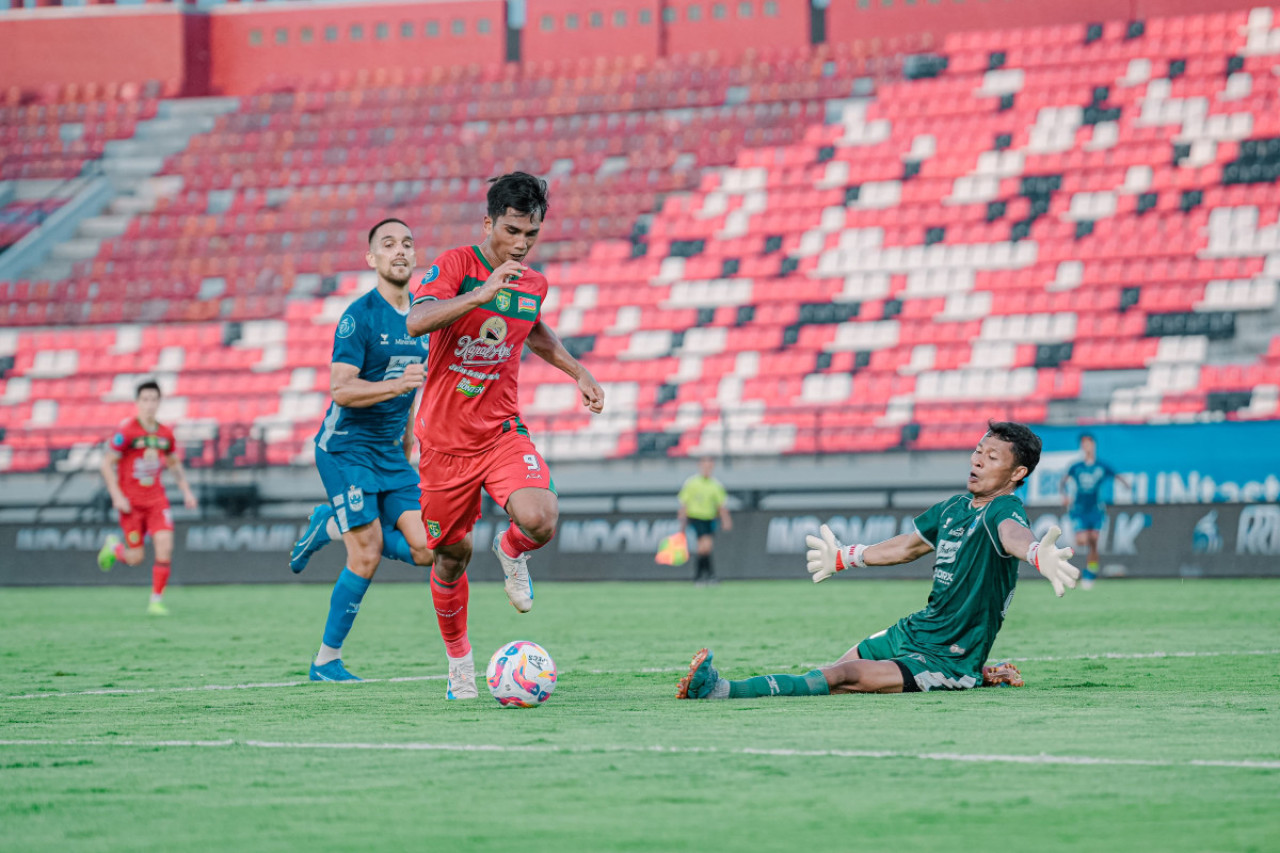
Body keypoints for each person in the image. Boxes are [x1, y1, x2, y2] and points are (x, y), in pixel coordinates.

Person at [676, 421, 1080, 700]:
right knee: (832, 674)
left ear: (1017, 473)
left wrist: (1035, 553)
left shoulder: (1003, 510)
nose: (977, 460)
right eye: (978, 451)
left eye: (992, 458)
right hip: (914, 631)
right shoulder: (954, 507)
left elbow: (1013, 536)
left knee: (842, 678)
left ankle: (720, 690)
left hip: (948, 658)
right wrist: (845, 556)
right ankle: (986, 675)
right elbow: (907, 547)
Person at [406, 172, 605, 699]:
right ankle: (460, 664)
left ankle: (511, 549)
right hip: (444, 443)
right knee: (451, 557)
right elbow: (417, 320)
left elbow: (532, 328)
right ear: (488, 223)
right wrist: (482, 293)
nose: (520, 244)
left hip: (500, 431)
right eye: (512, 231)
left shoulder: (532, 283)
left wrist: (579, 372)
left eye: (530, 234)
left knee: (540, 518)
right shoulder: (456, 265)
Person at [289, 218, 435, 682]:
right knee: (366, 554)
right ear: (372, 258)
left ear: (416, 256)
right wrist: (398, 386)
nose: (400, 251)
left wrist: (409, 441)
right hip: (345, 449)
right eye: (388, 244)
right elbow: (341, 389)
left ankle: (330, 525)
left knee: (429, 549)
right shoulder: (359, 315)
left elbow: (412, 390)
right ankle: (325, 661)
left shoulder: (424, 319)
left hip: (390, 454)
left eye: (407, 244)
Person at [96, 380, 198, 615]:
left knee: (165, 546)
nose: (150, 404)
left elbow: (173, 463)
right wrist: (117, 495)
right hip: (131, 504)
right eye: (145, 399)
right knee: (136, 558)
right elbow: (106, 464)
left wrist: (186, 491)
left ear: (159, 402)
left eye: (154, 399)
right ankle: (115, 548)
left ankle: (156, 600)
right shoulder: (127, 432)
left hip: (156, 500)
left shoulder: (165, 434)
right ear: (138, 402)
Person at [1060, 433, 1130, 590]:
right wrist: (1064, 496)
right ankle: (1071, 569)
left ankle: (1091, 572)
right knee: (1082, 540)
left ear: (1094, 445)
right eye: (1084, 444)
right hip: (1079, 510)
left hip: (1096, 510)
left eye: (1089, 443)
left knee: (1094, 541)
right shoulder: (1076, 467)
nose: (1087, 447)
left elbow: (1117, 476)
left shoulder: (1102, 466)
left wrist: (1126, 485)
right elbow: (1063, 482)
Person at [676, 457, 732, 585]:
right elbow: (684, 503)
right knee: (704, 546)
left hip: (709, 518)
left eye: (709, 466)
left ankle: (703, 576)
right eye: (705, 466)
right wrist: (682, 520)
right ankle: (705, 576)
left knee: (706, 548)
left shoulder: (715, 485)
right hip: (696, 517)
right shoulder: (692, 483)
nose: (707, 469)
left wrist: (726, 520)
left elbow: (721, 505)